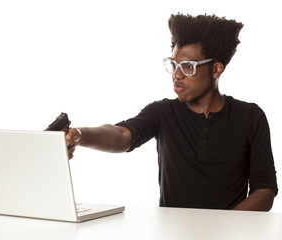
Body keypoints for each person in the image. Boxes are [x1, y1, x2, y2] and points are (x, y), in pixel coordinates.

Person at [65, 13, 278, 211]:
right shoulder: (163, 112)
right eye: (174, 65)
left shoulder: (250, 116)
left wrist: (223, 227)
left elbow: (264, 190)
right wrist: (80, 135)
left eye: (188, 67)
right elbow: (122, 135)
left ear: (216, 69)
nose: (177, 75)